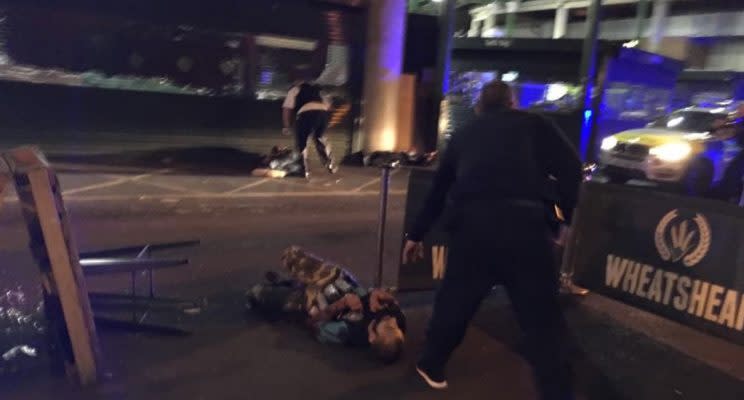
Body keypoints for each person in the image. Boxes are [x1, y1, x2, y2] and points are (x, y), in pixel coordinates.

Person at [402, 80, 581, 399]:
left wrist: (416, 235)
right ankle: (558, 392)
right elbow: (571, 168)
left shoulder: (464, 135)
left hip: (474, 229)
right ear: (513, 103)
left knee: (455, 301)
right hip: (527, 228)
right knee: (542, 320)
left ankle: (432, 364)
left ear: (479, 107)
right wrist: (562, 217)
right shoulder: (536, 124)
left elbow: (438, 192)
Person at [247, 247, 406, 363]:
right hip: (336, 280)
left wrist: (341, 304)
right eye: (395, 326)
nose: (390, 320)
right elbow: (390, 295)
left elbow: (313, 325)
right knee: (291, 254)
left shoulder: (351, 332)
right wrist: (376, 294)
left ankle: (287, 286)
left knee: (257, 292)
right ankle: (291, 283)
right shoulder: (396, 318)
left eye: (388, 327)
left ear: (372, 337)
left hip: (312, 301)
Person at [282, 77, 338, 178]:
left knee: (302, 141)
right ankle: (329, 162)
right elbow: (329, 105)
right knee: (320, 138)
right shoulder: (319, 90)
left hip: (306, 113)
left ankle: (303, 168)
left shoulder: (295, 89)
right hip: (322, 113)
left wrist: (286, 126)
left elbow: (287, 109)